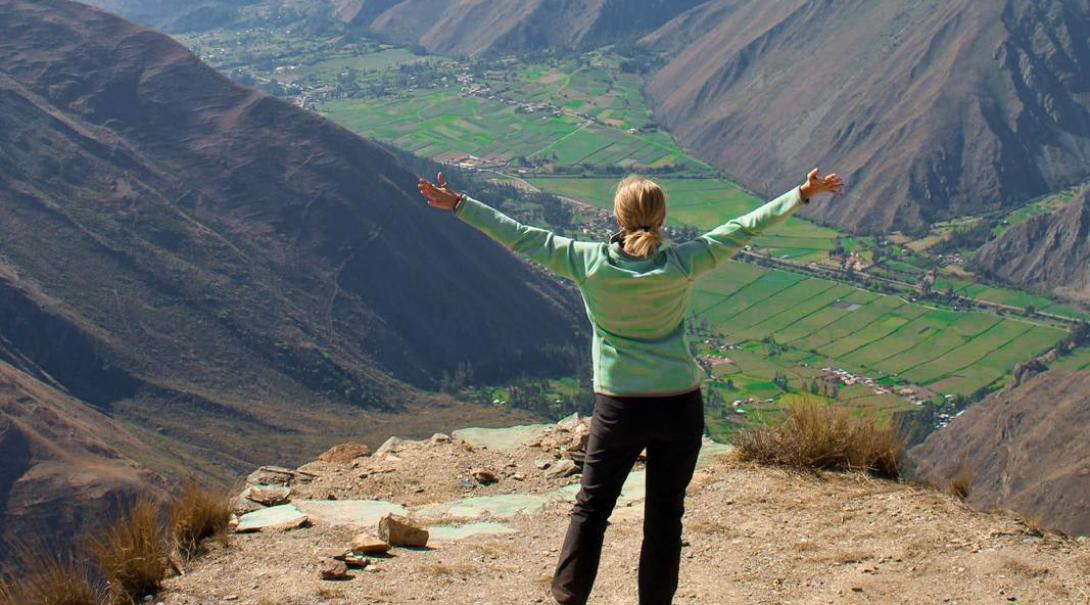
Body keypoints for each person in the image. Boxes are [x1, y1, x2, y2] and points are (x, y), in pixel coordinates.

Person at [417, 169, 843, 605]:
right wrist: (802, 194)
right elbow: (745, 227)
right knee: (664, 517)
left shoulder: (587, 262)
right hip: (680, 406)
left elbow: (521, 236)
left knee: (592, 508)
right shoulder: (683, 262)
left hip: (620, 407)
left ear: (618, 218)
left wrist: (461, 204)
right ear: (662, 218)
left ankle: (569, 599)